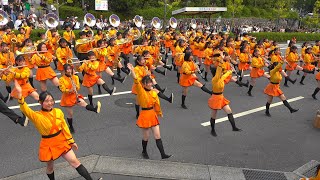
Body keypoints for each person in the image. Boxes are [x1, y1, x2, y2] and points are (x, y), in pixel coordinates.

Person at [14, 80, 102, 180]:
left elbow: (65, 128)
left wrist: (71, 141)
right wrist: (20, 95)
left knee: (75, 162)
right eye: (46, 101)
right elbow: (24, 108)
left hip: (61, 141)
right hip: (48, 144)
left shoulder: (58, 111)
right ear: (40, 102)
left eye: (51, 100)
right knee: (50, 167)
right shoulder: (36, 116)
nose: (50, 103)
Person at [127, 63, 172, 160]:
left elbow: (157, 104)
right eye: (148, 83)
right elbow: (136, 80)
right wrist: (132, 71)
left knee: (157, 136)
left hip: (152, 114)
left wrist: (159, 113)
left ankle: (163, 154)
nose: (150, 84)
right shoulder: (141, 90)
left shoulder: (154, 92)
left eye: (151, 82)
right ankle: (144, 151)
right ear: (143, 84)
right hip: (145, 115)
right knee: (146, 137)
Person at [59, 64, 101, 133]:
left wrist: (75, 87)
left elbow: (78, 87)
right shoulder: (61, 79)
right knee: (70, 114)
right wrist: (70, 90)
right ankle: (71, 126)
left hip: (75, 96)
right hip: (67, 97)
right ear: (65, 71)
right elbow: (62, 89)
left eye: (70, 69)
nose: (69, 71)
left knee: (83, 103)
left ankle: (94, 109)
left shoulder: (75, 77)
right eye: (68, 69)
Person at [208, 53, 241, 137]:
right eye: (220, 70)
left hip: (221, 97)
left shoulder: (220, 78)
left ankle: (234, 127)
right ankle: (212, 130)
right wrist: (222, 60)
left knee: (229, 111)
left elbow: (224, 75)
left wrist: (230, 71)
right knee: (214, 114)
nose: (222, 70)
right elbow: (220, 70)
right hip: (215, 98)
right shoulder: (215, 79)